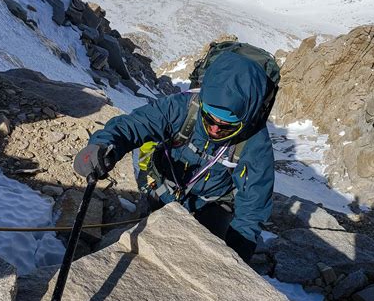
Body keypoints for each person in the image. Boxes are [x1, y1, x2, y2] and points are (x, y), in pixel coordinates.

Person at [74, 51, 275, 264]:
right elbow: (135, 125)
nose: (215, 128)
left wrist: (238, 256)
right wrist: (103, 145)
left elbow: (253, 204)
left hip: (210, 205)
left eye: (227, 125)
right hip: (163, 188)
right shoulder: (182, 107)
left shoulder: (255, 143)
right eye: (209, 118)